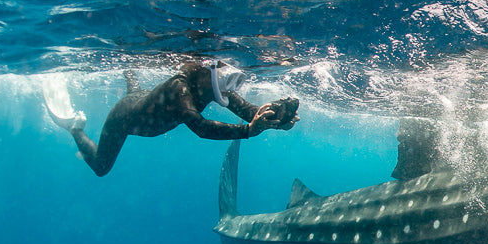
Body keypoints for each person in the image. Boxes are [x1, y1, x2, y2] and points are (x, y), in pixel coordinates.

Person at [47, 60, 300, 177]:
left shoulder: (210, 84)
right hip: (123, 117)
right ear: (204, 72)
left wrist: (274, 121)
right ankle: (75, 128)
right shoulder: (180, 89)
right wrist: (247, 131)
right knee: (101, 168)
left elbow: (249, 113)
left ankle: (131, 78)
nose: (223, 91)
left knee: (136, 94)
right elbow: (201, 127)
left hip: (143, 101)